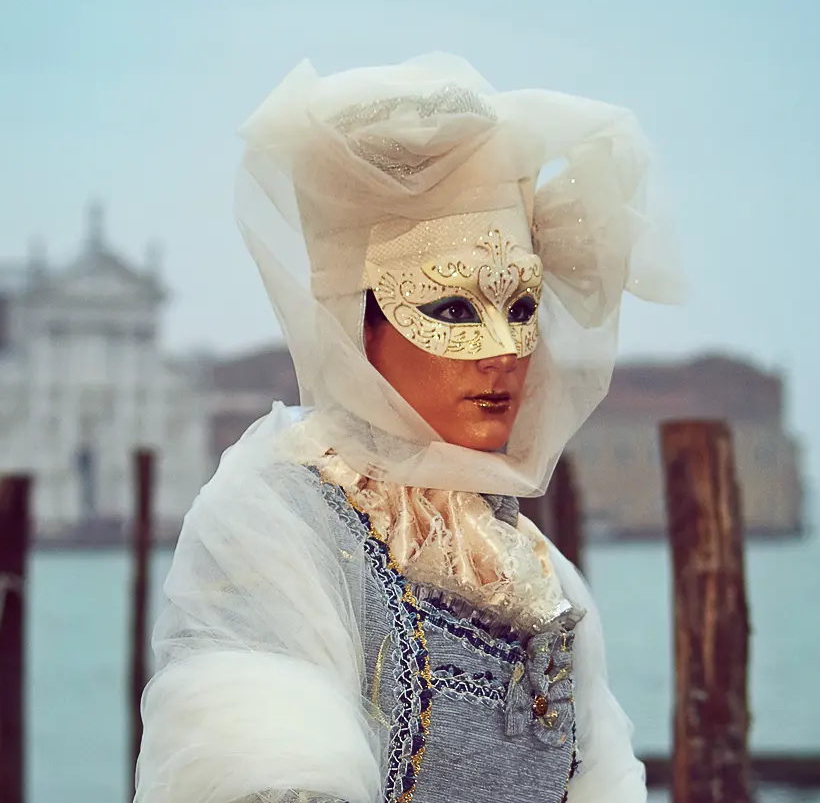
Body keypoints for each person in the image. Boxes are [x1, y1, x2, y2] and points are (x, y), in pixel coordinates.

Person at [132, 53, 683, 803]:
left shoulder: (543, 578)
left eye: (521, 308)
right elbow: (263, 774)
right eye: (452, 309)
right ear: (357, 331)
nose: (502, 352)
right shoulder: (276, 521)